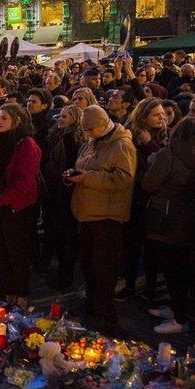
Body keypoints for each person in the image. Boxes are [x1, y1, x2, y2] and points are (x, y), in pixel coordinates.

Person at [141, 118, 195, 334]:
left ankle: (179, 318)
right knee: (182, 265)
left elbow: (149, 183)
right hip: (191, 214)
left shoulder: (169, 153)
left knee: (171, 267)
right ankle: (176, 308)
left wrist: (152, 162)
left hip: (166, 214)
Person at [67, 105, 136, 332]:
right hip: (87, 212)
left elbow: (123, 179)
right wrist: (74, 176)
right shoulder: (91, 141)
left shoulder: (121, 145)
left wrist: (88, 178)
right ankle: (92, 301)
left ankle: (105, 312)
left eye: (90, 130)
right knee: (88, 263)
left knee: (104, 267)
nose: (87, 135)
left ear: (102, 125)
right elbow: (84, 166)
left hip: (107, 215)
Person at [0, 102, 41, 308]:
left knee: (16, 252)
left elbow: (24, 182)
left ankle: (21, 295)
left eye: (4, 118)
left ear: (17, 121)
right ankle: (8, 291)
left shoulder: (27, 145)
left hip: (15, 207)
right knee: (0, 250)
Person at [117, 98, 168, 302]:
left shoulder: (163, 136)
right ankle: (129, 285)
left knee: (152, 248)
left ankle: (151, 287)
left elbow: (163, 161)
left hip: (154, 200)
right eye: (156, 115)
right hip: (134, 197)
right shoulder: (130, 136)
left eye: (162, 114)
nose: (161, 118)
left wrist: (150, 143)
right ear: (143, 116)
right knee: (131, 246)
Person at [42, 104, 85, 290]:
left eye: (65, 117)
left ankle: (65, 277)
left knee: (65, 237)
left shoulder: (70, 139)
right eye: (60, 115)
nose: (60, 118)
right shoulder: (59, 136)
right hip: (56, 192)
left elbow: (68, 169)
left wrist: (61, 183)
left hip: (62, 195)